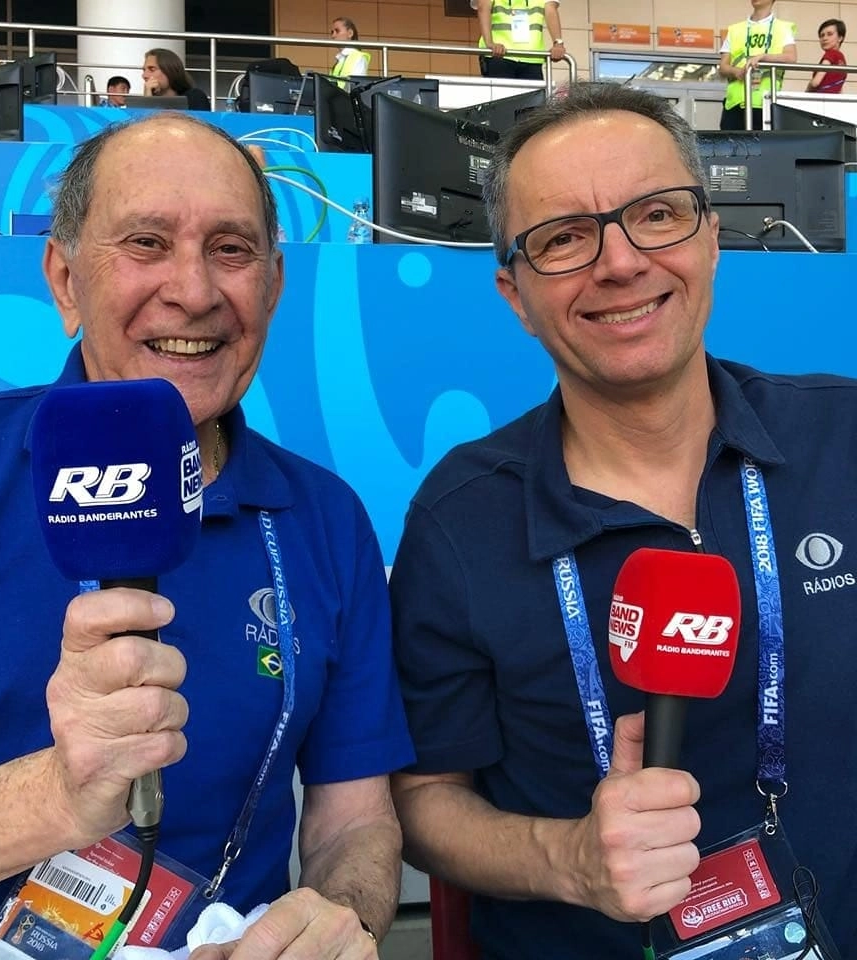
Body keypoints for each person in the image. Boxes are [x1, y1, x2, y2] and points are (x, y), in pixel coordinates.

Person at [0, 112, 414, 958]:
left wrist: (338, 917)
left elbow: (355, 817)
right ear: (64, 280)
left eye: (232, 250)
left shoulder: (326, 520)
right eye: (145, 242)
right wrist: (62, 794)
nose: (196, 291)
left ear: (275, 287)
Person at [390, 81, 857, 958]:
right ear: (514, 295)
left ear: (712, 239)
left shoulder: (846, 438)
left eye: (657, 214)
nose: (620, 262)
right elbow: (421, 799)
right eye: (564, 237)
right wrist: (567, 859)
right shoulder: (460, 519)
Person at [718, 0, 796, 130]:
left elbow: (791, 57)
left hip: (765, 103)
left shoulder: (783, 28)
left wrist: (764, 57)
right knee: (730, 149)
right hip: (735, 104)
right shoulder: (735, 30)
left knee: (763, 149)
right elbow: (723, 66)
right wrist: (736, 71)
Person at [476, 0, 566, 81]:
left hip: (532, 56)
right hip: (499, 54)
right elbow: (483, 6)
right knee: (504, 98)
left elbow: (551, 9)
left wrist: (558, 43)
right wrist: (490, 43)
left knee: (532, 98)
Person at [143, 47, 211, 111]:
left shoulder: (194, 97)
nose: (144, 75)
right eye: (144, 70)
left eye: (152, 69)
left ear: (169, 71)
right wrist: (148, 99)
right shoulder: (149, 97)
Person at [806, 18, 847, 93]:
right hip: (833, 101)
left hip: (820, 99)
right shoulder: (842, 59)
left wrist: (807, 90)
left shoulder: (831, 54)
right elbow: (839, 89)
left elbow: (815, 82)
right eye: (822, 35)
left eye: (829, 34)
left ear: (840, 38)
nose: (824, 38)